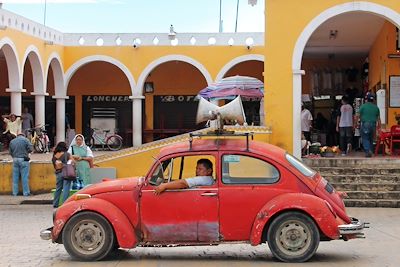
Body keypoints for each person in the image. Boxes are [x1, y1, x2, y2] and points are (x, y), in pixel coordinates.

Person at [52, 142, 74, 208]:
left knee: (58, 188)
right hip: (66, 173)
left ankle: (55, 203)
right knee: (66, 189)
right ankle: (65, 204)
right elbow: (73, 162)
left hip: (58, 173)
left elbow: (54, 165)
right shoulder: (67, 154)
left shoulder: (55, 155)